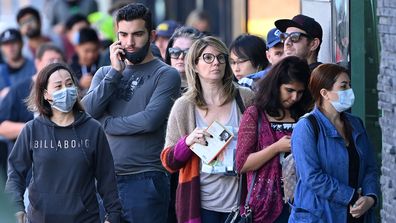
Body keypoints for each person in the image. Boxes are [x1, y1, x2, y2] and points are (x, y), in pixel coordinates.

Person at [82, 3, 181, 223]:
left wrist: (105, 123)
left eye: (137, 34)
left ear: (152, 35)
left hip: (145, 180)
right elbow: (87, 112)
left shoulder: (166, 75)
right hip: (104, 180)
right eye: (123, 35)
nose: (129, 42)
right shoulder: (105, 73)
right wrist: (115, 73)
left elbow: (149, 121)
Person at [5, 62, 122, 223]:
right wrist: (17, 208)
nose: (65, 90)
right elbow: (15, 173)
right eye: (58, 86)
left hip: (85, 218)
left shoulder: (93, 129)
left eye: (69, 84)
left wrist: (113, 216)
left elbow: (107, 178)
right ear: (46, 94)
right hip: (41, 219)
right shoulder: (32, 129)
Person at [161, 36, 255, 223]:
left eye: (221, 58)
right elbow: (168, 162)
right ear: (195, 65)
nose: (216, 63)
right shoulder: (183, 106)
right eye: (208, 58)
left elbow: (262, 144)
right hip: (200, 205)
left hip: (241, 201)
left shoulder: (245, 98)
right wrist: (187, 143)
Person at [290, 63, 379, 222]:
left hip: (357, 214)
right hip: (320, 215)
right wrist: (350, 196)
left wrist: (370, 197)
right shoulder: (306, 127)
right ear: (325, 93)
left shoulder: (356, 124)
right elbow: (312, 176)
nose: (349, 91)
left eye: (350, 85)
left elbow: (370, 167)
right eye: (343, 86)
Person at [236, 56, 312, 223]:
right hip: (264, 206)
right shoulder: (255, 114)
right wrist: (276, 147)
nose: (294, 98)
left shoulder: (305, 115)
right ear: (276, 85)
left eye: (300, 92)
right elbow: (242, 164)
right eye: (289, 90)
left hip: (303, 203)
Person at [165, 26, 204, 91]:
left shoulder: (206, 89)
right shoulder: (158, 84)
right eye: (175, 51)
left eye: (187, 53)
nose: (181, 57)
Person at [0, 28, 35, 100]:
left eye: (13, 42)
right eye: (6, 44)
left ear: (21, 43)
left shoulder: (34, 66)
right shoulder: (1, 71)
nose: (10, 47)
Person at [69, 27, 101, 94]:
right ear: (77, 48)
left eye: (94, 50)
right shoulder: (70, 69)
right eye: (87, 51)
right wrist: (79, 85)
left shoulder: (102, 64)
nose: (91, 55)